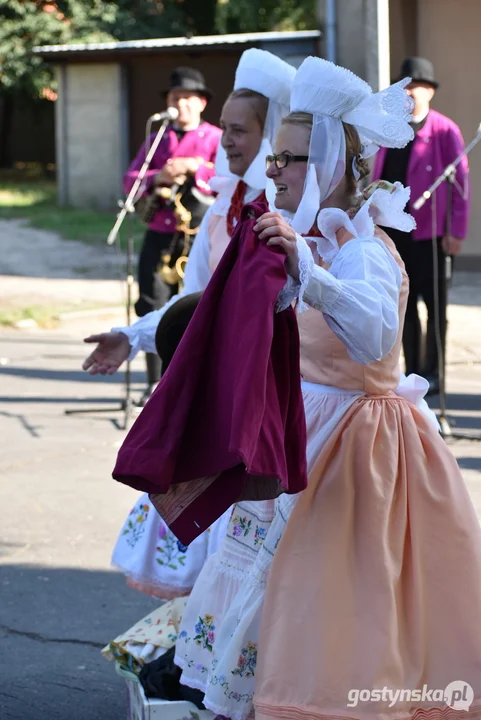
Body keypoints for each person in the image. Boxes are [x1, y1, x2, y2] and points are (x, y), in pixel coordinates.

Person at [84, 49, 296, 601]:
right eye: (223, 128)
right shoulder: (226, 208)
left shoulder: (286, 215)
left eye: (238, 130)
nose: (226, 140)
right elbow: (194, 304)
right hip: (223, 390)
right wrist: (130, 336)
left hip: (262, 399)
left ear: (268, 133)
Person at [372, 57, 470, 394]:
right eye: (406, 86)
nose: (410, 92)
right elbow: (379, 175)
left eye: (416, 86)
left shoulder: (444, 129)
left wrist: (456, 230)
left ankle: (435, 373)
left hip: (432, 234)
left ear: (429, 91)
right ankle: (412, 372)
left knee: (435, 305)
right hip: (396, 232)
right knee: (405, 304)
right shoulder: (393, 129)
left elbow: (461, 184)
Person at [123, 66, 221, 405]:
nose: (179, 104)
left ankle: (192, 381)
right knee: (151, 300)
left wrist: (197, 168)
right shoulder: (156, 138)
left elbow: (229, 175)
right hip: (159, 231)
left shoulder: (215, 138)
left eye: (186, 98)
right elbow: (131, 179)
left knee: (195, 304)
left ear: (201, 102)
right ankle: (154, 383)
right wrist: (157, 175)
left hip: (196, 233)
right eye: (173, 97)